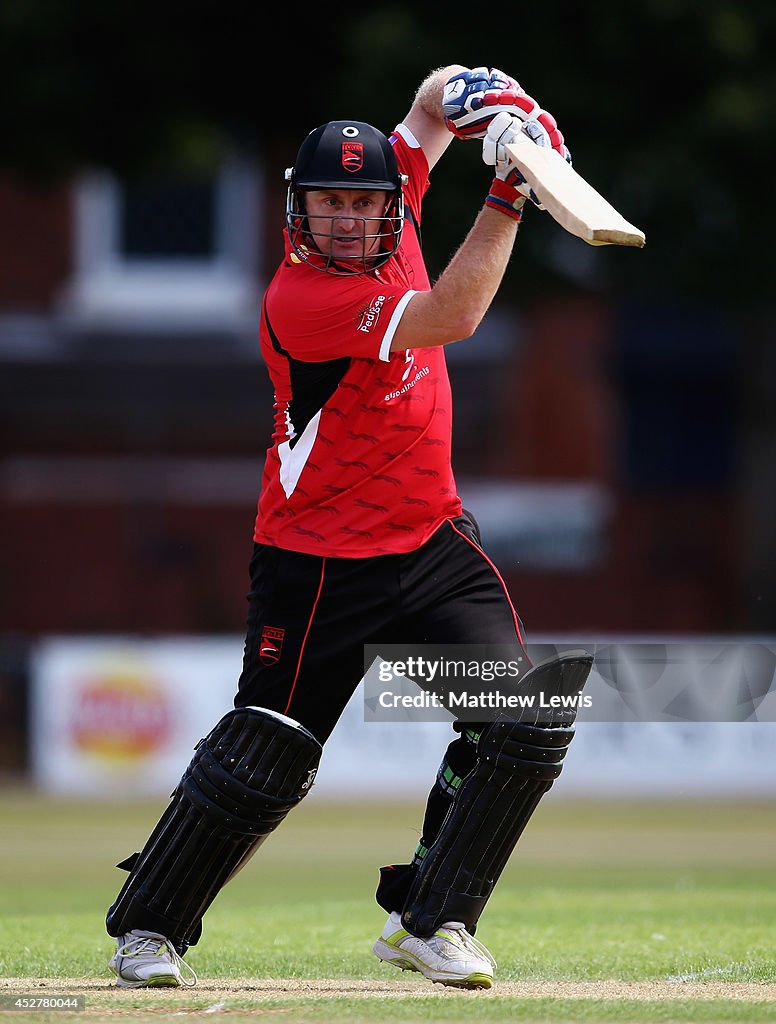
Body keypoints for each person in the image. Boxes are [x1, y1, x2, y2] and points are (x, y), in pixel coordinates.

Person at [105, 64, 592, 992]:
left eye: (360, 202)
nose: (343, 218)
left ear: (387, 202)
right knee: (264, 758)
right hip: (315, 563)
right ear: (298, 210)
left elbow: (425, 102)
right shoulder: (303, 301)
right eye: (323, 201)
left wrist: (488, 101)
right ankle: (152, 929)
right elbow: (453, 314)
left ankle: (433, 919)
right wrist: (507, 191)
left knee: (522, 717)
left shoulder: (395, 202)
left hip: (432, 542)